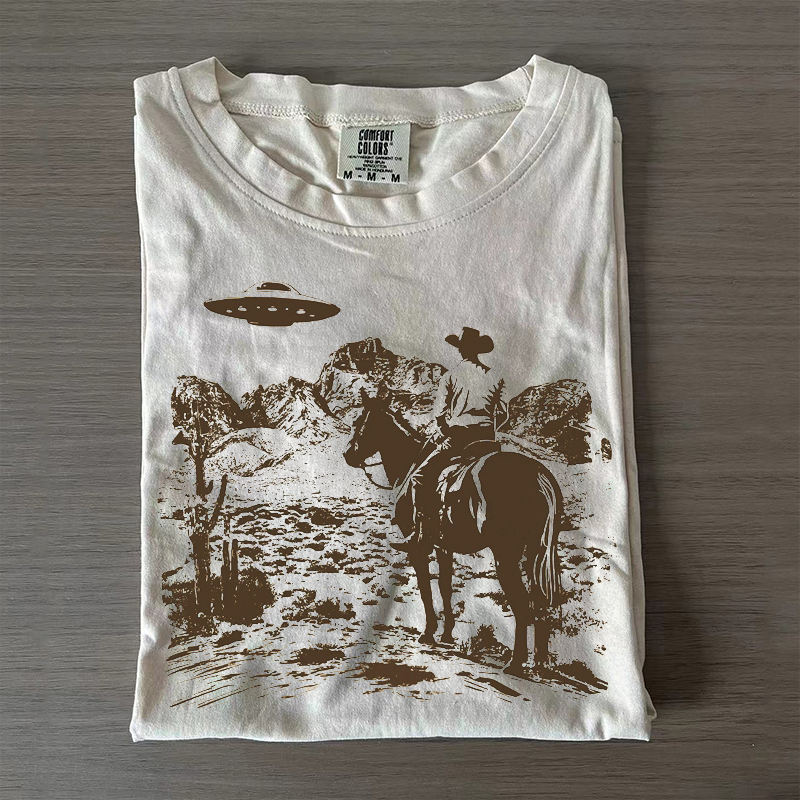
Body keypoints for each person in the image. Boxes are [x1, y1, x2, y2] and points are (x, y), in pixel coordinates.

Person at [390, 327, 507, 554]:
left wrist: (446, 432)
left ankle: (421, 534)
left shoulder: (450, 376)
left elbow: (440, 416)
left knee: (420, 477)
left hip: (459, 440)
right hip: (487, 442)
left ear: (461, 350)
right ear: (478, 350)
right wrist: (487, 429)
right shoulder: (495, 376)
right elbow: (503, 415)